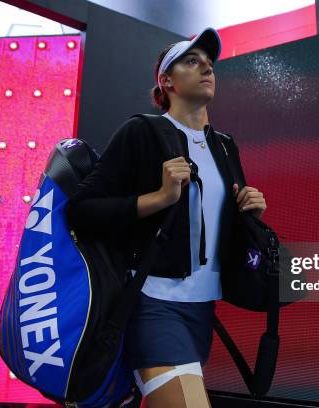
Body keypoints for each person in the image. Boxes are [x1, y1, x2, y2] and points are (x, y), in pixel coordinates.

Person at [66, 27, 267, 407]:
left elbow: (216, 226)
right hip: (152, 302)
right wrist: (159, 198)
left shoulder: (224, 146)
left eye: (209, 64)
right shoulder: (141, 132)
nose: (206, 69)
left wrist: (247, 209)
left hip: (203, 308)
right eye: (192, 61)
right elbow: (83, 210)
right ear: (166, 80)